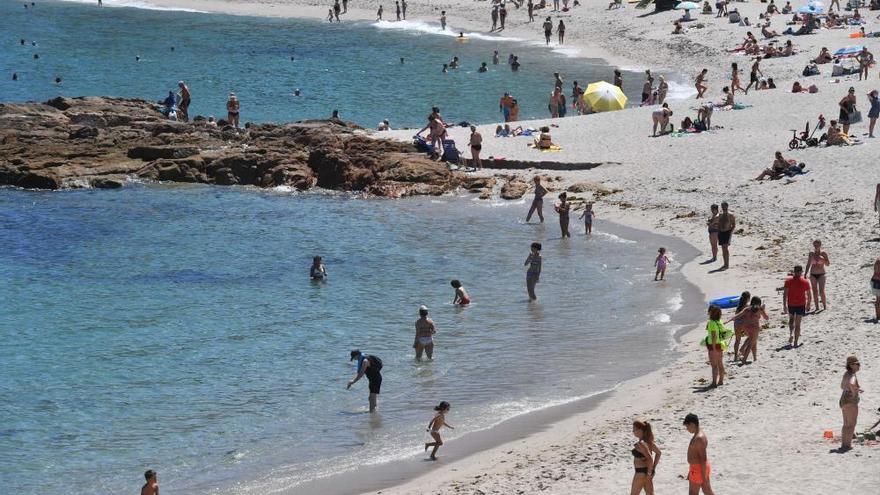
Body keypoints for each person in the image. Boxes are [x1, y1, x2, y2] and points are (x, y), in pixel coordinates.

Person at [727, 295, 768, 363]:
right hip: (755, 328)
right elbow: (766, 318)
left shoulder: (747, 309)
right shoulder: (760, 309)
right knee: (751, 344)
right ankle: (744, 359)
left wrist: (729, 320)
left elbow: (738, 315)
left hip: (747, 327)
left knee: (753, 342)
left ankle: (755, 358)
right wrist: (763, 309)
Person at [684, 414, 715, 495]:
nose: (687, 429)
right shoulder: (698, 435)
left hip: (698, 469)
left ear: (693, 424)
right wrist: (690, 472)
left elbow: (703, 459)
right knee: (707, 491)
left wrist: (704, 477)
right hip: (697, 469)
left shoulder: (699, 438)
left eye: (687, 426)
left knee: (693, 493)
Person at [783, 265, 811, 347]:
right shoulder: (805, 282)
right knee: (798, 324)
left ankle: (791, 333)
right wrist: (808, 304)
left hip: (791, 304)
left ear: (794, 272)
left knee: (791, 320)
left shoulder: (788, 281)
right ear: (801, 272)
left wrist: (784, 305)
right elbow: (809, 295)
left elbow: (785, 294)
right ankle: (795, 342)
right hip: (801, 304)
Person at [631, 420, 661, 495]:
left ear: (640, 430)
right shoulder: (649, 442)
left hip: (640, 473)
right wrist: (653, 469)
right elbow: (659, 453)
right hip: (647, 472)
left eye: (634, 429)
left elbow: (650, 458)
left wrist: (649, 472)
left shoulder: (641, 444)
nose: (633, 431)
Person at [702, 305, 730, 387]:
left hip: (713, 345)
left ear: (711, 313)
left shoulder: (711, 323)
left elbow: (713, 335)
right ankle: (721, 381)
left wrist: (713, 348)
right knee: (720, 364)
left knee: (714, 366)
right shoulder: (719, 322)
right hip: (720, 344)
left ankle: (714, 383)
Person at [839, 356, 862, 451]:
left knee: (846, 424)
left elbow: (842, 386)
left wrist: (857, 389)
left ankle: (844, 445)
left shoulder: (846, 374)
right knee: (851, 424)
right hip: (850, 400)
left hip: (843, 399)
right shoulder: (852, 375)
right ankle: (847, 446)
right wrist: (853, 393)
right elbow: (851, 383)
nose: (859, 366)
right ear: (851, 365)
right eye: (858, 364)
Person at [805, 240, 830, 311]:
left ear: (820, 245)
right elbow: (808, 264)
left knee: (821, 291)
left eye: (817, 245)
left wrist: (823, 260)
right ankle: (817, 307)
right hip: (813, 274)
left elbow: (828, 264)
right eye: (814, 245)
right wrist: (805, 273)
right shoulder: (811, 254)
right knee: (814, 291)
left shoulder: (823, 254)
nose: (816, 246)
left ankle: (824, 306)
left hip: (821, 274)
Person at [729, 291, 751, 362]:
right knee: (751, 336)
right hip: (743, 323)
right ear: (748, 298)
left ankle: (735, 357)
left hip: (736, 323)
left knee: (737, 340)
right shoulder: (747, 306)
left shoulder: (738, 306)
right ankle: (742, 348)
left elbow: (737, 315)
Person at [717, 202, 735, 270]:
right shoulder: (720, 215)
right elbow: (718, 224)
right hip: (721, 232)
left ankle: (726, 265)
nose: (723, 207)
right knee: (723, 248)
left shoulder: (731, 215)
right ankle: (725, 264)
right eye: (722, 206)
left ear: (727, 206)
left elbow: (733, 225)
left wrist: (730, 233)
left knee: (725, 248)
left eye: (725, 206)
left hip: (727, 232)